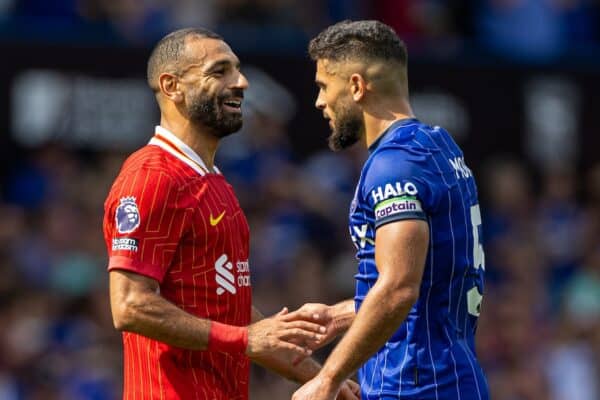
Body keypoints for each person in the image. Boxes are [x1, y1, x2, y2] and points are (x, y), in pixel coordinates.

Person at [102, 28, 359, 400]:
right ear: (171, 86)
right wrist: (246, 338)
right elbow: (129, 305)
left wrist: (321, 378)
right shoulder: (153, 178)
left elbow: (232, 314)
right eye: (219, 71)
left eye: (237, 70)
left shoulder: (213, 182)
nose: (241, 82)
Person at [291, 20, 489, 400]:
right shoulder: (439, 147)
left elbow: (399, 288)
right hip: (447, 380)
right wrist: (338, 316)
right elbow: (432, 283)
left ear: (355, 86)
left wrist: (328, 378)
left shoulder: (394, 165)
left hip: (417, 386)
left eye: (322, 86)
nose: (319, 102)